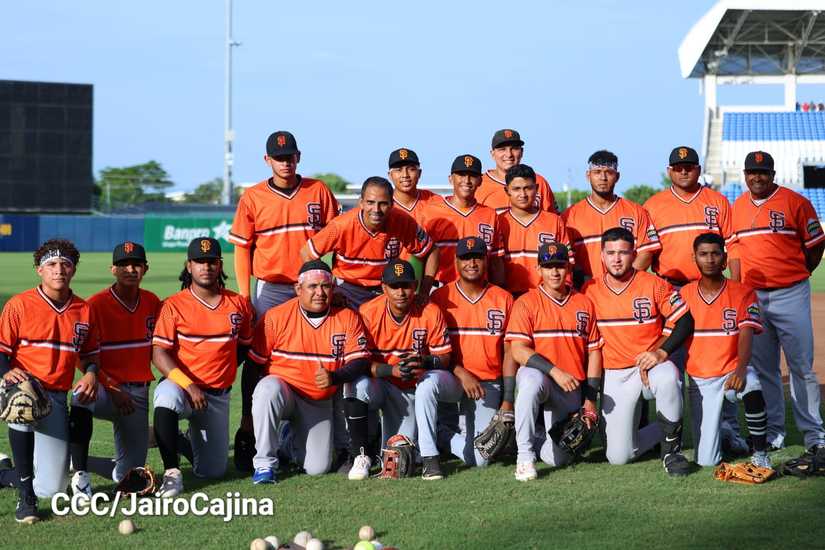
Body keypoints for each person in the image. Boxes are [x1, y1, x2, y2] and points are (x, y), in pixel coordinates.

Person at [643, 146, 744, 454]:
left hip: (713, 291)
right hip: (672, 292)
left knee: (721, 360)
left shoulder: (717, 201)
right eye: (678, 167)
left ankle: (728, 430)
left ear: (699, 169)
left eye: (689, 166)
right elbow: (647, 253)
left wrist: (735, 288)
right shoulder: (654, 205)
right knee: (671, 364)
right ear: (669, 171)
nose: (684, 170)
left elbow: (733, 247)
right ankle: (669, 436)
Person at [730, 151, 825, 462]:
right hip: (754, 297)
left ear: (773, 174)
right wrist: (739, 289)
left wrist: (801, 272)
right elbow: (735, 252)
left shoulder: (795, 202)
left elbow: (816, 245)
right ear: (745, 175)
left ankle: (815, 436)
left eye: (763, 172)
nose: (757, 177)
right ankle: (774, 434)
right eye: (752, 172)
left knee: (800, 367)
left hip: (791, 293)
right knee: (766, 370)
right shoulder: (737, 207)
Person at [0, 239, 100, 523]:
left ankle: (5, 473)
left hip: (55, 397)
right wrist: (5, 372)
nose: (59, 270)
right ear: (39, 270)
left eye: (65, 264)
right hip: (22, 387)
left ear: (73, 270)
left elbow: (89, 355)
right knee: (21, 400)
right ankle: (26, 497)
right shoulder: (19, 304)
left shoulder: (83, 309)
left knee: (52, 488)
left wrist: (91, 372)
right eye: (52, 264)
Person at [247, 260, 372, 482]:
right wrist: (246, 415)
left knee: (318, 467)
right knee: (267, 388)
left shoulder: (346, 317)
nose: (319, 293)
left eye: (325, 286)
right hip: (283, 392)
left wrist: (334, 377)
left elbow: (360, 361)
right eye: (312, 286)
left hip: (317, 401)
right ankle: (265, 464)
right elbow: (252, 366)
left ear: (333, 289)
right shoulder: (275, 317)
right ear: (298, 289)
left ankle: (287, 440)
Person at [582, 227, 692, 476]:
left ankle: (672, 451)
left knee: (668, 376)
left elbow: (685, 320)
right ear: (602, 255)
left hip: (649, 365)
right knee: (619, 456)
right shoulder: (589, 290)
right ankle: (667, 427)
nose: (617, 259)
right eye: (611, 253)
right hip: (614, 372)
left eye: (623, 252)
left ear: (633, 254)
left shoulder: (654, 284)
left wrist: (660, 353)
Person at [151, 237, 254, 497]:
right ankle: (172, 473)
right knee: (165, 398)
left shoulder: (238, 304)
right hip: (183, 388)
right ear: (189, 266)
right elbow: (159, 353)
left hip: (216, 397)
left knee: (213, 472)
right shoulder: (173, 304)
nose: (205, 267)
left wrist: (223, 367)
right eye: (199, 261)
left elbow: (245, 346)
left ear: (220, 265)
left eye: (211, 262)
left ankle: (181, 440)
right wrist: (189, 385)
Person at [68, 242, 161, 498]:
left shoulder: (152, 302)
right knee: (80, 395)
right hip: (105, 391)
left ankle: (73, 460)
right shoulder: (95, 305)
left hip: (137, 396)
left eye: (136, 264)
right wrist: (112, 387)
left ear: (145, 269)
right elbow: (80, 355)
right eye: (123, 265)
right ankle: (81, 474)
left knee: (130, 476)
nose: (130, 269)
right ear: (113, 269)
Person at [505, 241, 603, 481]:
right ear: (538, 269)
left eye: (559, 265)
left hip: (570, 386)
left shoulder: (584, 303)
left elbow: (594, 352)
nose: (554, 272)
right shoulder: (526, 302)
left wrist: (590, 398)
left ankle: (535, 435)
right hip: (542, 377)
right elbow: (518, 350)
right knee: (530, 380)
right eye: (548, 266)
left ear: (568, 267)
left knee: (560, 457)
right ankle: (524, 456)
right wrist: (555, 371)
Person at [420, 238, 514, 479]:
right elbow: (432, 350)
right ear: (455, 261)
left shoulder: (503, 298)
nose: (471, 263)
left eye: (477, 257)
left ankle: (442, 433)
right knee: (427, 386)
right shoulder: (440, 297)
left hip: (486, 384)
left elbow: (509, 353)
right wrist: (461, 372)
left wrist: (507, 398)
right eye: (465, 258)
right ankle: (430, 457)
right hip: (451, 377)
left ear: (486, 261)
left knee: (481, 458)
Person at [681, 233, 771, 468]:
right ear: (694, 258)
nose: (710, 259)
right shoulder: (684, 294)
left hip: (732, 370)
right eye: (703, 254)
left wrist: (740, 369)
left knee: (752, 385)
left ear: (724, 258)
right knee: (707, 461)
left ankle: (761, 453)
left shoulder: (743, 292)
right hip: (701, 379)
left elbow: (746, 334)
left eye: (715, 254)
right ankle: (728, 433)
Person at [346, 259, 452, 454]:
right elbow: (358, 362)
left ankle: (429, 431)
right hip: (380, 384)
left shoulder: (430, 311)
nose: (401, 292)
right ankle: (358, 455)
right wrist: (391, 370)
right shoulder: (367, 313)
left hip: (410, 390)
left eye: (406, 286)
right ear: (384, 288)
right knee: (356, 385)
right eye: (394, 286)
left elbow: (445, 357)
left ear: (415, 286)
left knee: (400, 452)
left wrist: (424, 361)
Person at [230, 130, 340, 316]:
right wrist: (245, 295)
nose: (285, 163)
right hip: (271, 288)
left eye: (289, 157)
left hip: (311, 283)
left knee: (314, 334)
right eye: (279, 158)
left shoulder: (318, 190)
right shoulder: (252, 197)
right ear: (267, 160)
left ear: (298, 157)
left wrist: (334, 281)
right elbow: (242, 248)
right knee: (266, 334)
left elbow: (339, 238)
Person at [300, 176, 437, 308]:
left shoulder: (402, 221)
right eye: (370, 202)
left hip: (386, 288)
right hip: (347, 289)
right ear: (361, 202)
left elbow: (432, 251)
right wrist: (330, 288)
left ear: (392, 204)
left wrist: (424, 292)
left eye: (383, 203)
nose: (376, 210)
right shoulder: (340, 226)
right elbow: (307, 253)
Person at [563, 150, 661, 287]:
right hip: (586, 290)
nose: (603, 178)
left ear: (617, 176)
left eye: (609, 172)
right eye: (597, 172)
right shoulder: (570, 216)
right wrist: (588, 284)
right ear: (588, 175)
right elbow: (566, 258)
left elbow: (646, 253)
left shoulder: (636, 212)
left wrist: (621, 281)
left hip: (627, 289)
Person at [423, 155, 505, 286]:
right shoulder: (430, 212)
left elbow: (496, 260)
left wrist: (499, 291)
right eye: (461, 175)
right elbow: (420, 257)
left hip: (479, 288)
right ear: (450, 179)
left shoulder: (490, 214)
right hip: (441, 287)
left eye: (472, 175)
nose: (467, 180)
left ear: (480, 181)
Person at [497, 164, 571, 296]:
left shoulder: (554, 221)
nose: (523, 194)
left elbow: (568, 262)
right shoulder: (498, 222)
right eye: (516, 189)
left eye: (528, 188)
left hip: (546, 296)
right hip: (509, 296)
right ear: (507, 190)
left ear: (536, 189)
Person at [476, 129, 557, 214]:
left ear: (521, 152)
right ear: (492, 154)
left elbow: (552, 218)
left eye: (514, 148)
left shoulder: (538, 181)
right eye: (502, 149)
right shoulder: (479, 184)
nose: (509, 154)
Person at [387, 147, 440, 226]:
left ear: (419, 173)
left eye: (411, 169)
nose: (405, 175)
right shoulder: (382, 204)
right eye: (398, 170)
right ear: (390, 175)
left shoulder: (436, 201)